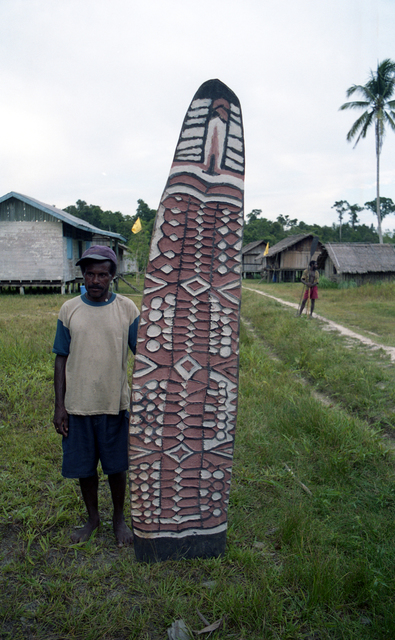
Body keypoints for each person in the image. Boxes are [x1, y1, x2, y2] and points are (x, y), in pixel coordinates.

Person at [53, 245, 140, 545]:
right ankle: (93, 519)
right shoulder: (69, 309)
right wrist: (59, 407)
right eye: (90, 273)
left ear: (112, 277)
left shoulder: (127, 309)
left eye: (102, 274)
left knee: (117, 468)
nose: (95, 280)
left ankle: (119, 520)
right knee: (84, 468)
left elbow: (143, 354)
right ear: (83, 275)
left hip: (114, 404)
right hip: (78, 405)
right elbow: (60, 358)